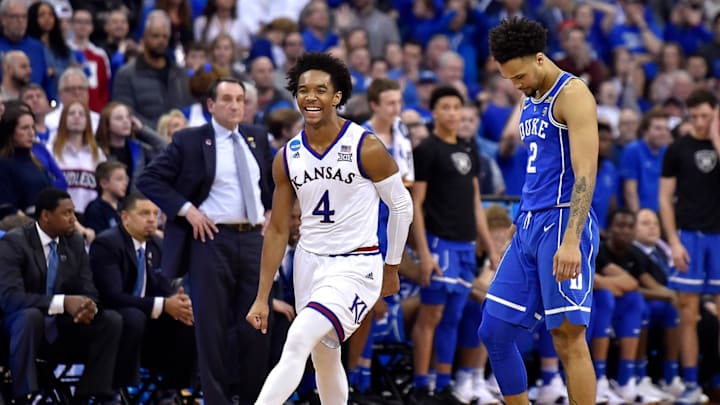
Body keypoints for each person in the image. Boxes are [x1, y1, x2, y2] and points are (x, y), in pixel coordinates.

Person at [246, 52, 413, 404]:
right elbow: (277, 230)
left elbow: (401, 205)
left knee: (297, 340)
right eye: (303, 89)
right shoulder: (287, 156)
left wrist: (392, 266)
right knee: (325, 356)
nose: (310, 96)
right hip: (309, 262)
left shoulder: (365, 146)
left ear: (337, 97)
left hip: (355, 265)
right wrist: (262, 296)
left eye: (320, 89)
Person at [478, 17, 600, 405]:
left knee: (568, 336)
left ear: (541, 59)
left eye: (519, 76)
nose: (516, 84)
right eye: (509, 79)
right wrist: (520, 224)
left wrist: (571, 241)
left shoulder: (573, 93)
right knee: (493, 331)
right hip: (529, 222)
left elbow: (585, 173)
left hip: (565, 220)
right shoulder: (528, 98)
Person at [136, 77, 273, 404]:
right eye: (227, 99)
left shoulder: (258, 137)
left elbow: (275, 184)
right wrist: (188, 211)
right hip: (211, 241)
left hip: (254, 240)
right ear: (211, 105)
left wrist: (272, 213)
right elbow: (148, 179)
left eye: (240, 99)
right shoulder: (191, 140)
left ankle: (256, 400)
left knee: (255, 328)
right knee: (211, 330)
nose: (235, 105)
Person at [409, 85, 499, 404]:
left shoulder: (468, 149)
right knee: (430, 315)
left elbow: (476, 203)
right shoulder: (426, 150)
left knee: (454, 316)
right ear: (433, 112)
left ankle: (443, 382)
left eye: (456, 107)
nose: (451, 113)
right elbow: (415, 205)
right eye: (444, 107)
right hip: (438, 242)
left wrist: (490, 246)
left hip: (465, 245)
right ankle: (421, 385)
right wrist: (423, 253)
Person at [0, 187, 122, 404]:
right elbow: (11, 299)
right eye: (67, 213)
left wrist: (88, 306)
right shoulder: (14, 242)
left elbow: (88, 289)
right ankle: (24, 395)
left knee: (111, 320)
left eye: (74, 212)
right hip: (17, 330)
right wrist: (63, 303)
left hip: (60, 329)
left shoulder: (74, 242)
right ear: (46, 216)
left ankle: (91, 395)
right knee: (30, 316)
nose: (74, 219)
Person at [89, 192, 196, 403]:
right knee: (132, 316)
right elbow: (111, 296)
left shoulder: (158, 245)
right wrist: (163, 304)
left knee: (187, 319)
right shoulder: (107, 244)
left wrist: (179, 303)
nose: (151, 219)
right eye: (144, 213)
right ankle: (116, 390)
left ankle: (171, 389)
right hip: (110, 321)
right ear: (125, 217)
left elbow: (165, 289)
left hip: (147, 323)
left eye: (155, 213)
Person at [659, 88, 720, 403]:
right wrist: (672, 240)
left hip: (719, 236)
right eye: (694, 116)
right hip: (688, 237)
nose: (699, 122)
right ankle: (692, 383)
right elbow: (664, 199)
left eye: (705, 116)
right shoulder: (677, 149)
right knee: (688, 313)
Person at [82, 160, 128, 234]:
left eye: (126, 179)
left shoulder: (123, 208)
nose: (125, 183)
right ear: (104, 183)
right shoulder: (96, 208)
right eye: (119, 179)